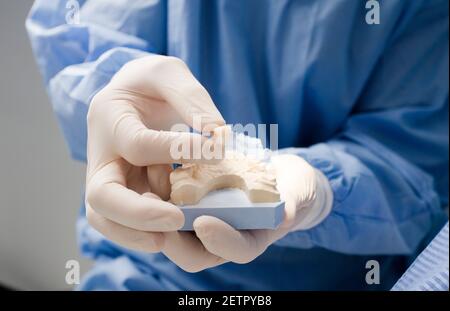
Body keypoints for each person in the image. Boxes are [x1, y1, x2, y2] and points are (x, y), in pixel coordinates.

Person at [26, 0, 448, 290]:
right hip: (148, 274)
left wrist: (321, 191)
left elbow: (414, 171)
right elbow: (77, 28)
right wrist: (115, 91)